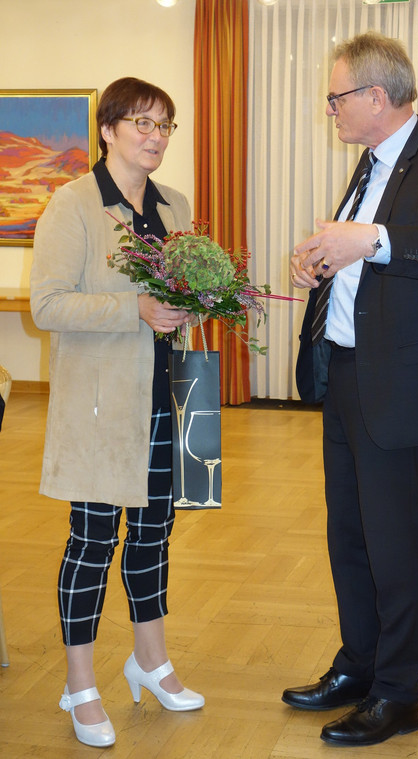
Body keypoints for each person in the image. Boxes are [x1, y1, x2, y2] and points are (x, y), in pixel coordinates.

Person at [284, 32, 418, 747]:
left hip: (394, 387)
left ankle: (399, 691)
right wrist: (321, 264)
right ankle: (359, 662)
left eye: (337, 96)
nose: (330, 108)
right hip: (343, 373)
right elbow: (363, 264)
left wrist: (368, 240)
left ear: (376, 96)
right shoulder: (369, 162)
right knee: (349, 534)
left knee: (394, 540)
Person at [30, 77, 204, 749]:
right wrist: (131, 308)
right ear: (106, 130)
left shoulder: (174, 202)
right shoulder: (72, 205)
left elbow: (179, 292)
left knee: (154, 536)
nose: (156, 136)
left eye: (166, 125)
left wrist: (197, 303)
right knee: (93, 542)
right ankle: (80, 682)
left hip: (164, 398)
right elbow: (48, 305)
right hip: (100, 407)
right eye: (142, 123)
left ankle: (151, 660)